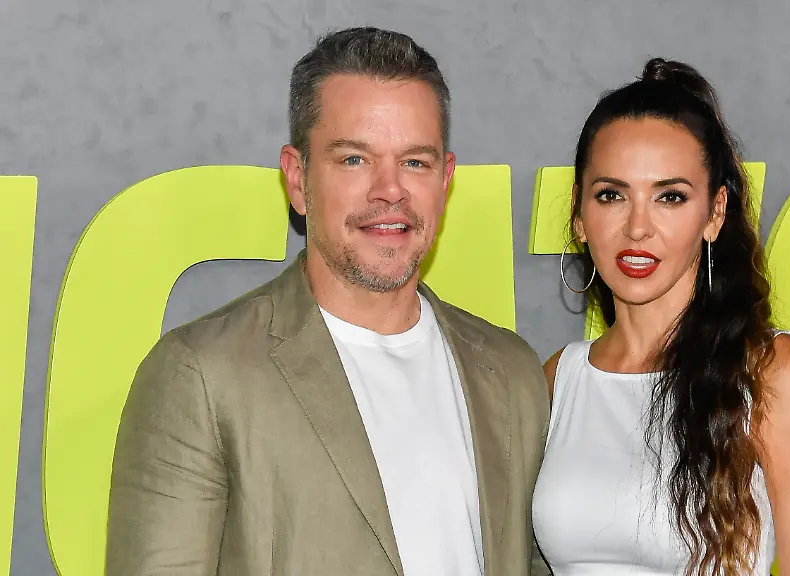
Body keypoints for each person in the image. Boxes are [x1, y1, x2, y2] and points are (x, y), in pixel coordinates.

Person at [106, 27, 551, 576]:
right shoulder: (200, 374)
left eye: (415, 162)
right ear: (297, 179)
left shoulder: (513, 373)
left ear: (445, 179)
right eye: (354, 160)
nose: (390, 190)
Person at [531, 58, 790, 575]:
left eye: (670, 197)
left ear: (715, 213)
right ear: (579, 215)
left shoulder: (775, 375)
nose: (638, 227)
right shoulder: (558, 381)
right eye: (611, 195)